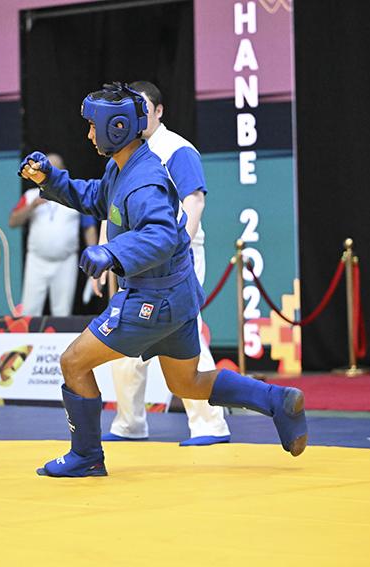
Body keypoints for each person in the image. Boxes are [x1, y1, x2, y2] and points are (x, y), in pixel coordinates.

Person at [19, 83, 307, 477]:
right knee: (186, 382)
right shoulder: (124, 167)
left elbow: (161, 235)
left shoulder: (145, 180)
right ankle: (277, 400)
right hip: (175, 296)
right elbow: (97, 198)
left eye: (92, 126)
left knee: (73, 363)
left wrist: (111, 253)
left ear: (117, 128)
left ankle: (86, 456)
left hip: (151, 299)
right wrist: (51, 178)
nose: (88, 134)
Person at [98, 80, 229, 446]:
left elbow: (194, 201)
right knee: (123, 331)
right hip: (131, 255)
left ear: (158, 111)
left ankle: (210, 423)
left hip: (174, 255)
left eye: (143, 107)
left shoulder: (176, 149)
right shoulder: (123, 151)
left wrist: (177, 247)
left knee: (184, 330)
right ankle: (129, 422)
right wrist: (105, 249)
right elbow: (110, 207)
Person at [10, 153, 98, 316]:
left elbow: (89, 227)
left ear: (62, 171)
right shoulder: (31, 195)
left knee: (62, 311)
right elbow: (13, 221)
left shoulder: (74, 195)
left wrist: (94, 258)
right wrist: (32, 206)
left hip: (65, 261)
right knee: (29, 310)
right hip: (37, 260)